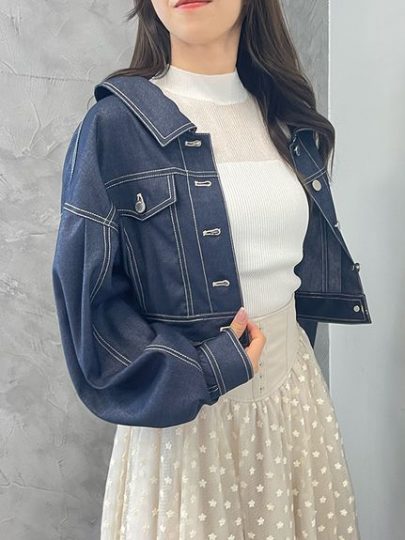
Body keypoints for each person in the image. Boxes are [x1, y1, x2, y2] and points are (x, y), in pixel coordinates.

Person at [52, 0, 371, 538]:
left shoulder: (288, 120)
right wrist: (208, 368)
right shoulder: (115, 126)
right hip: (187, 431)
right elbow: (92, 314)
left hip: (295, 405)